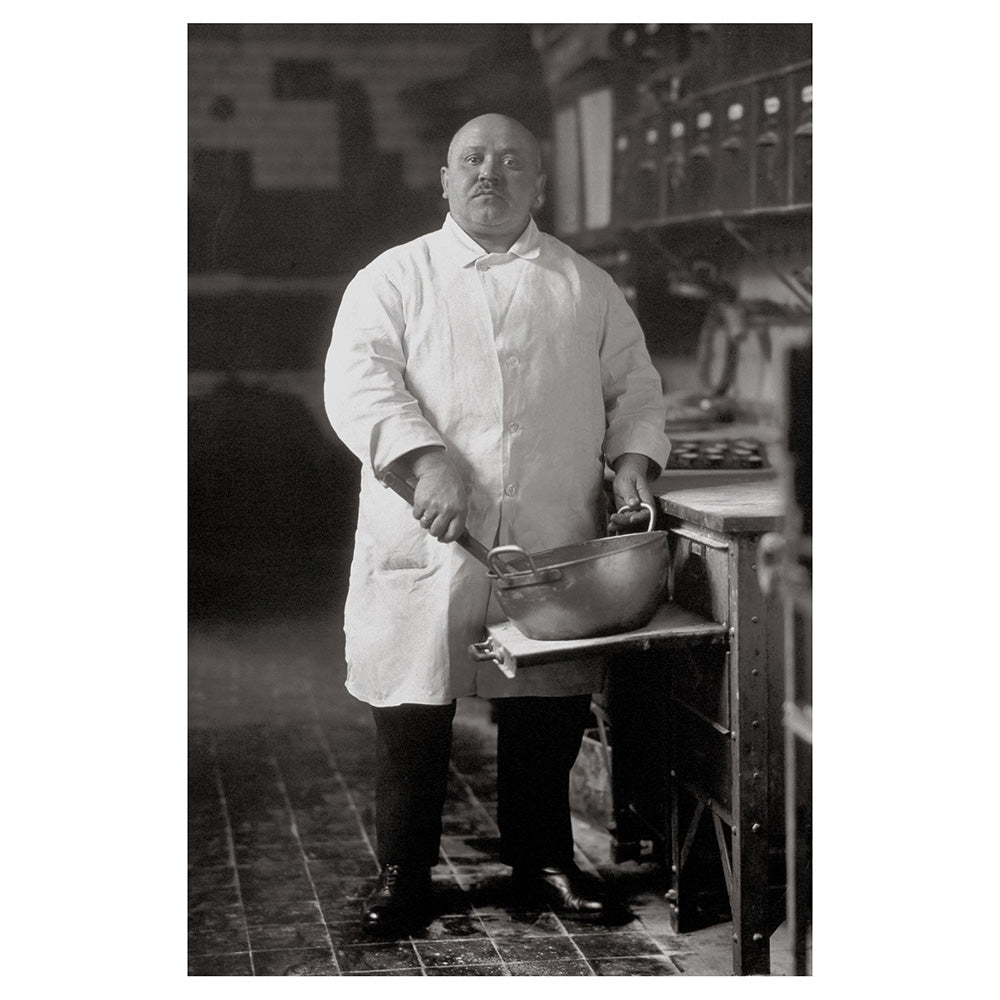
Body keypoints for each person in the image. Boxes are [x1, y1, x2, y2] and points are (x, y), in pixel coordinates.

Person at [325, 113, 670, 938]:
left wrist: (633, 462)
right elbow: (359, 384)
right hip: (429, 531)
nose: (491, 173)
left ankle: (542, 860)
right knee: (414, 701)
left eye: (512, 161)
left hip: (551, 529)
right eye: (472, 160)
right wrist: (423, 459)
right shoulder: (394, 278)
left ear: (539, 184)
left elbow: (638, 389)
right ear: (444, 180)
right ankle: (404, 870)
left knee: (544, 705)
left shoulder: (583, 284)